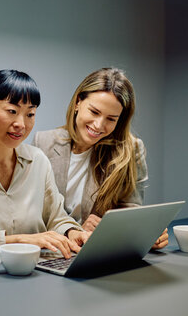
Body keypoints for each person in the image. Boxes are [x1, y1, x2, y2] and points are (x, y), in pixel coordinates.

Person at [32, 67, 168, 249]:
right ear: (78, 102)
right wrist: (75, 229)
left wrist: (142, 232)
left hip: (97, 251)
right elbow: (35, 214)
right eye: (94, 112)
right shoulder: (43, 142)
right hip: (56, 251)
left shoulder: (131, 149)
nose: (99, 125)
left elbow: (130, 209)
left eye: (111, 119)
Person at [0, 70, 89, 258]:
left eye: (30, 114)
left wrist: (72, 232)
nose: (21, 123)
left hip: (38, 273)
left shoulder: (38, 160)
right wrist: (20, 240)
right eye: (12, 111)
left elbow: (56, 218)